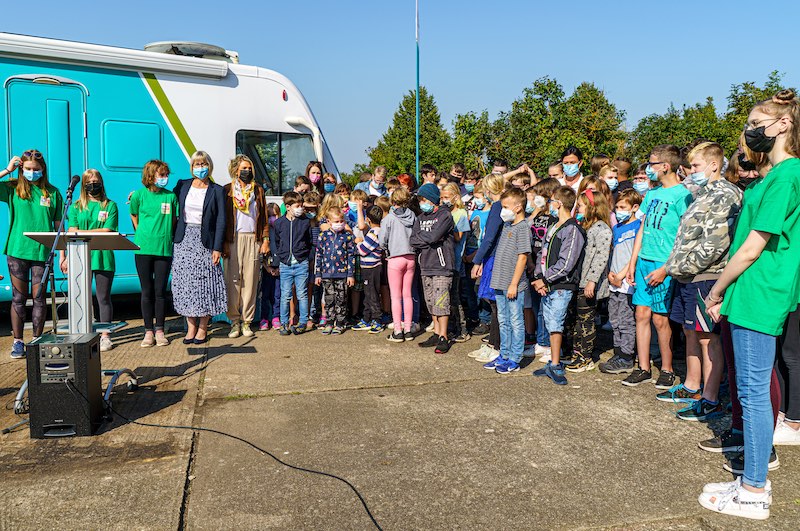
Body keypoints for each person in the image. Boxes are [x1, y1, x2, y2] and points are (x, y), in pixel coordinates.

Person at [700, 90, 800, 520]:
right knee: (750, 390)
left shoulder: (787, 175)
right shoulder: (772, 175)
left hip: (759, 293)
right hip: (750, 292)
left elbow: (752, 248)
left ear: (784, 125)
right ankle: (749, 479)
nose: (750, 130)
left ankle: (755, 490)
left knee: (754, 394)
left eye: (757, 121)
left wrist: (717, 290)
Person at [661, 142, 742, 420]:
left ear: (714, 165)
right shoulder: (700, 194)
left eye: (695, 166)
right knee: (691, 332)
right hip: (688, 276)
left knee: (709, 339)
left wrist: (679, 266)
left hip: (706, 276)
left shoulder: (724, 194)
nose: (690, 172)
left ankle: (710, 398)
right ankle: (693, 386)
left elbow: (715, 243)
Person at [623, 145, 693, 388]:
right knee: (640, 313)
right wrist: (632, 261)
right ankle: (642, 367)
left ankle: (667, 367)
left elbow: (684, 235)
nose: (648, 169)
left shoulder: (683, 195)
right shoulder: (651, 195)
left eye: (652, 164)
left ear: (665, 166)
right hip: (643, 260)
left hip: (663, 264)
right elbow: (642, 229)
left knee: (660, 319)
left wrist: (666, 268)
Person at [0, 150, 64, 358]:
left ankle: (36, 341)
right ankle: (18, 342)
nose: (32, 173)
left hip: (42, 252)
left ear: (43, 169)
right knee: (18, 298)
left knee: (38, 298)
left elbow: (58, 228)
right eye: (27, 169)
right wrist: (7, 170)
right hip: (17, 250)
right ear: (21, 169)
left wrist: (62, 255)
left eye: (36, 170)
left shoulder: (53, 193)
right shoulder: (12, 188)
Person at [171, 151, 228, 344]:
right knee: (186, 284)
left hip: (206, 242)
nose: (200, 167)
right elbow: (165, 202)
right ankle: (191, 327)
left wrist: (217, 248)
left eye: (203, 164)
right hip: (184, 239)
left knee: (205, 284)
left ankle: (203, 327)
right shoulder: (182, 185)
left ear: (209, 166)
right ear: (192, 166)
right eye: (196, 164)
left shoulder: (217, 190)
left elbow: (221, 221)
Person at [531, 187, 585, 385]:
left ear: (559, 203)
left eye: (552, 201)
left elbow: (567, 262)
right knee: (549, 321)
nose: (549, 204)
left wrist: (546, 279)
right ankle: (552, 362)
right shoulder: (554, 226)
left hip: (561, 286)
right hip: (546, 284)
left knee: (556, 324)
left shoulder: (573, 229)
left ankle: (555, 363)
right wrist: (539, 276)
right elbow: (542, 253)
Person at [62, 169, 119, 352]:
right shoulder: (77, 206)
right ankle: (83, 333)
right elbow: (71, 230)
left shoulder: (110, 205)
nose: (93, 185)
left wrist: (81, 232)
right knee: (81, 297)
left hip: (103, 257)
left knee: (102, 297)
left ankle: (105, 336)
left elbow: (108, 230)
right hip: (81, 256)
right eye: (89, 182)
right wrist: (66, 257)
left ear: (101, 183)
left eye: (96, 181)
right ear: (84, 185)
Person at [481, 188, 531, 373]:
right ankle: (504, 353)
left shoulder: (522, 227)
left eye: (505, 207)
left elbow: (523, 257)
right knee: (503, 320)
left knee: (515, 320)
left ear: (518, 207)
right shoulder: (507, 226)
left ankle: (515, 358)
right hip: (499, 282)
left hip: (512, 284)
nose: (503, 210)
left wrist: (514, 283)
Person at [130, 160, 178, 348]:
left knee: (160, 292)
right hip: (143, 248)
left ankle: (160, 330)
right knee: (146, 291)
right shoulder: (138, 195)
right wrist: (140, 230)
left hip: (163, 248)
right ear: (150, 176)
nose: (165, 178)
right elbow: (134, 214)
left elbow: (174, 219)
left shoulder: (171, 197)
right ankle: (148, 331)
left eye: (166, 175)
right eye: (161, 175)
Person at [223, 155, 269, 338]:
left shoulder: (258, 190)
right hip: (233, 239)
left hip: (253, 238)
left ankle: (247, 321)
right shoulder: (227, 190)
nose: (247, 171)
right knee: (233, 281)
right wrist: (224, 243)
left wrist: (265, 240)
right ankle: (234, 321)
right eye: (244, 168)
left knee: (250, 280)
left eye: (249, 168)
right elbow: (223, 219)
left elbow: (264, 216)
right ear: (236, 170)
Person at [567, 189, 612, 372]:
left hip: (589, 284)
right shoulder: (587, 226)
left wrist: (591, 281)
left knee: (586, 321)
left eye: (582, 205)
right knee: (577, 320)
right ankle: (577, 353)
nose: (579, 208)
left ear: (593, 207)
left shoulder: (602, 229)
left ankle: (585, 357)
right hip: (580, 281)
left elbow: (601, 257)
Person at [599, 189, 642, 374]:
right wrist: (610, 273)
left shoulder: (638, 227)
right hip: (614, 280)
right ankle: (618, 351)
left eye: (623, 207)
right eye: (616, 207)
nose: (618, 210)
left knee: (626, 320)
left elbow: (635, 254)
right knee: (614, 319)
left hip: (626, 282)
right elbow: (613, 253)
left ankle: (626, 356)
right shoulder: (616, 228)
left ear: (634, 207)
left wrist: (622, 275)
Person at [410, 183, 455, 354]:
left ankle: (444, 335)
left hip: (442, 266)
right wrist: (427, 238)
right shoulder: (420, 217)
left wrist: (426, 238)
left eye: (423, 199)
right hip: (426, 265)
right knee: (430, 302)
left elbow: (435, 236)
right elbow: (413, 239)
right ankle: (436, 332)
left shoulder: (444, 215)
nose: (421, 202)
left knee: (441, 301)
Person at [469, 173, 507, 363]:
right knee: (495, 305)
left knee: (495, 305)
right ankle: (493, 343)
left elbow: (489, 237)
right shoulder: (503, 206)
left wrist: (477, 260)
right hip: (495, 257)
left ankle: (496, 345)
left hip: (494, 258)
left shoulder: (498, 207)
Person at [527, 178, 561, 362]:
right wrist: (536, 210)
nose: (536, 198)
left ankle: (547, 343)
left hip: (545, 268)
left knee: (545, 308)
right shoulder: (535, 216)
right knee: (535, 306)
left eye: (540, 195)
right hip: (532, 265)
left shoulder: (555, 218)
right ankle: (540, 341)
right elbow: (525, 228)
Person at [273, 191, 313, 335]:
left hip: (301, 263)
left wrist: (306, 257)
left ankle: (303, 322)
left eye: (301, 206)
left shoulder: (305, 222)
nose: (300, 208)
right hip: (285, 264)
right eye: (297, 206)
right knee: (285, 295)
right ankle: (284, 323)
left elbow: (309, 242)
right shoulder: (279, 223)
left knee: (302, 294)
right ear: (288, 207)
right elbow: (276, 242)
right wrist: (280, 259)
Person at [380, 187, 417, 341]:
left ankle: (397, 330)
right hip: (411, 257)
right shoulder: (413, 215)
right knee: (407, 294)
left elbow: (382, 240)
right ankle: (408, 329)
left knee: (395, 296)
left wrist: (386, 249)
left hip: (395, 257)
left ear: (393, 201)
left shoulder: (389, 218)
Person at [314, 206, 355, 334]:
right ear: (329, 221)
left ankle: (340, 322)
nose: (339, 224)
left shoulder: (347, 237)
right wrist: (318, 274)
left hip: (342, 274)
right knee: (329, 299)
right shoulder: (323, 236)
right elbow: (319, 255)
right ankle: (330, 321)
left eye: (341, 221)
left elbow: (351, 256)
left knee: (341, 299)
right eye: (336, 221)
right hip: (326, 274)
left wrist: (350, 274)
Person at [441, 183, 471, 342]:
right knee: (447, 297)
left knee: (455, 297)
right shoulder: (443, 212)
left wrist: (446, 224)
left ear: (455, 197)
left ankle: (462, 329)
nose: (444, 200)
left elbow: (459, 237)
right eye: (442, 198)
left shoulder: (460, 213)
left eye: (447, 197)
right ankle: (451, 327)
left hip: (456, 260)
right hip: (443, 260)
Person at [354, 206, 385, 333]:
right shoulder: (379, 231)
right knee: (368, 294)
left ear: (367, 219)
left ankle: (377, 320)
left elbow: (362, 250)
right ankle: (366, 318)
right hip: (369, 268)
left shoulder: (373, 233)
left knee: (372, 295)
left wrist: (358, 242)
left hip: (372, 268)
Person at [259, 203, 282, 331]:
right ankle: (264, 318)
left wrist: (279, 268)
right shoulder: (264, 234)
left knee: (277, 295)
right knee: (265, 295)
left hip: (279, 269)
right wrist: (267, 267)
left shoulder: (281, 231)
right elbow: (261, 253)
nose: (273, 218)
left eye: (275, 215)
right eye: (270, 216)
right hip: (267, 269)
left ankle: (275, 317)